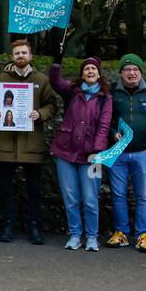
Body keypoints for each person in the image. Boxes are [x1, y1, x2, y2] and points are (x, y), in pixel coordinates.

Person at [0, 39, 60, 244]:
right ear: (12, 56)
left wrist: (40, 113)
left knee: (34, 190)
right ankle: (7, 227)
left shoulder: (42, 79)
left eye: (24, 53)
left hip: (32, 145)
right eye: (17, 53)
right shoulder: (0, 79)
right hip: (6, 144)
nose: (20, 56)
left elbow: (52, 105)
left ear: (30, 56)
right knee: (5, 189)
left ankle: (35, 228)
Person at [48, 57, 113, 250]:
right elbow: (55, 82)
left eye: (94, 68)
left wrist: (97, 151)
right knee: (70, 197)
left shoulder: (105, 98)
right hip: (65, 152)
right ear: (82, 73)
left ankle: (92, 236)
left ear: (99, 73)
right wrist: (55, 64)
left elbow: (104, 126)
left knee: (91, 198)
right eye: (87, 69)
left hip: (92, 156)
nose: (90, 71)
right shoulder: (72, 91)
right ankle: (75, 234)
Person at [105, 54, 146, 253]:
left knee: (143, 195)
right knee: (118, 194)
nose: (132, 73)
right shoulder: (112, 91)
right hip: (118, 153)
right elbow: (105, 120)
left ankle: (143, 235)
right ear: (121, 72)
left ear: (140, 72)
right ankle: (121, 233)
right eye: (127, 70)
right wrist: (113, 133)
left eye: (135, 70)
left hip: (143, 153)